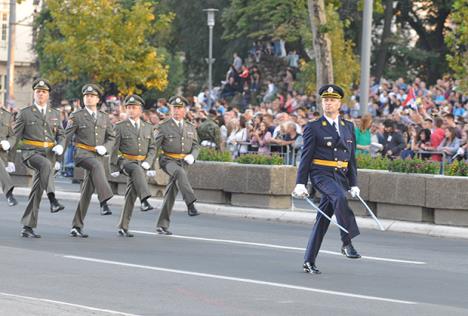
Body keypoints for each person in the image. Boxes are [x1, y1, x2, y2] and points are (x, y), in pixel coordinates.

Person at [292, 84, 361, 274]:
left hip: (340, 177)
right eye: (325, 100)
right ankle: (347, 243)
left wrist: (354, 183)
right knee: (339, 197)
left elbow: (351, 158)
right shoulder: (314, 127)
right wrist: (300, 183)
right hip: (321, 175)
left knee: (322, 220)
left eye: (332, 100)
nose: (328, 103)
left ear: (339, 103)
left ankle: (308, 261)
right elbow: (305, 157)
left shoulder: (348, 127)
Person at [14, 78, 65, 238]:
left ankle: (27, 226)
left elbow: (62, 134)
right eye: (38, 92)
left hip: (49, 154)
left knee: (37, 189)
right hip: (31, 153)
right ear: (34, 94)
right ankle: (53, 199)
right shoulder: (25, 112)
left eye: (43, 92)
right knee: (45, 165)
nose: (41, 94)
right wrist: (8, 158)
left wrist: (61, 145)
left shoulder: (55, 113)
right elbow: (15, 136)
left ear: (48, 95)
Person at [64, 84, 116, 238]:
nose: (89, 98)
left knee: (86, 191)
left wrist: (105, 147)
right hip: (82, 153)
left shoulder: (104, 117)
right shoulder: (76, 115)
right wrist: (58, 158)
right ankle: (104, 201)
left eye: (92, 96)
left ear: (98, 99)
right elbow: (66, 136)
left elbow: (111, 137)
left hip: (98, 154)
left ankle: (76, 226)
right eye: (86, 96)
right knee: (96, 166)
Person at [110, 95, 157, 237]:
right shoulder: (120, 127)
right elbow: (114, 148)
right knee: (136, 169)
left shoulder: (148, 127)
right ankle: (145, 200)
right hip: (127, 162)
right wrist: (113, 167)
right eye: (129, 107)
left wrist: (150, 164)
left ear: (140, 110)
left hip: (142, 163)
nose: (131, 110)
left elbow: (153, 148)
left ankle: (123, 226)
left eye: (134, 107)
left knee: (131, 194)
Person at [154, 96, 200, 235]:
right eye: (174, 108)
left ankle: (162, 225)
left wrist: (193, 155)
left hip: (184, 161)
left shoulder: (190, 127)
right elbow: (154, 147)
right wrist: (149, 166)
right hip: (168, 161)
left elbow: (196, 145)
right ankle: (190, 204)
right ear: (170, 109)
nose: (176, 111)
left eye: (179, 108)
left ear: (184, 110)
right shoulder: (163, 126)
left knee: (171, 192)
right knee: (179, 173)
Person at [0, 104, 18, 206]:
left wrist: (8, 143)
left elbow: (12, 136)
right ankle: (9, 193)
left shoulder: (7, 116)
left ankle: (9, 193)